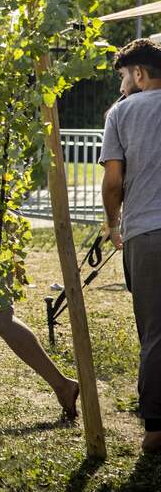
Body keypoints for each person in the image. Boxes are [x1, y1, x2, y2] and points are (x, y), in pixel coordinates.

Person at [100, 37, 161, 453]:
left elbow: (113, 181)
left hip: (147, 231)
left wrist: (112, 222)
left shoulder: (121, 113)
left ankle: (156, 427)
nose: (123, 84)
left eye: (124, 75)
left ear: (138, 73)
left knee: (155, 330)